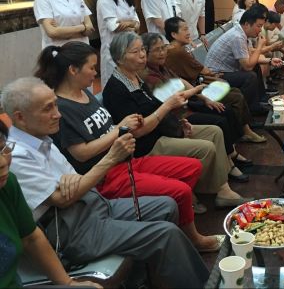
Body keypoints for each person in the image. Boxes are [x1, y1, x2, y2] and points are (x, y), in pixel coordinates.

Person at [3, 77, 210, 288]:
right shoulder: (16, 156)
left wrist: (72, 184)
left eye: (56, 105)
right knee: (165, 234)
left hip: (92, 204)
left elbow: (74, 181)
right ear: (20, 117)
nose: (58, 114)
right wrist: (111, 158)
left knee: (167, 205)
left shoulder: (43, 138)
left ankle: (143, 280)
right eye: (48, 108)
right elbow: (63, 198)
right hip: (73, 231)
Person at [34, 42, 225, 252]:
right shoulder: (64, 108)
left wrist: (126, 125)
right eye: (92, 67)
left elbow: (107, 129)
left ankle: (173, 218)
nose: (96, 73)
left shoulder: (85, 94)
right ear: (73, 70)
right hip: (107, 175)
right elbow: (82, 153)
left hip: (127, 160)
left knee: (192, 167)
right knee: (181, 191)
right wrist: (120, 129)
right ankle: (193, 239)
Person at [102, 32, 250, 208]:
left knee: (215, 132)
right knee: (206, 147)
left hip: (162, 130)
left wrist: (178, 124)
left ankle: (222, 189)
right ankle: (200, 190)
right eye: (135, 52)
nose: (142, 55)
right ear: (119, 58)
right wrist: (169, 107)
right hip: (147, 145)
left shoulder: (136, 78)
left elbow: (156, 106)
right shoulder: (117, 89)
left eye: (142, 49)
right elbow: (138, 131)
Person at [0, 119, 100, 288]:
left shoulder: (8, 184)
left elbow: (31, 237)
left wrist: (67, 283)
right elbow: (61, 199)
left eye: (3, 149)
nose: (3, 163)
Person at [142, 30, 262, 156]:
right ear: (174, 34)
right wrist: (198, 90)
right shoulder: (155, 71)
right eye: (157, 50)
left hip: (190, 98)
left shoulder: (163, 67)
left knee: (228, 107)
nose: (162, 52)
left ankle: (235, 146)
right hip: (179, 114)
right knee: (227, 108)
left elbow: (181, 81)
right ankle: (233, 152)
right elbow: (176, 96)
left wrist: (203, 97)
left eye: (163, 48)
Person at [161, 19, 267, 143]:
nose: (188, 32)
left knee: (236, 90)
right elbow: (205, 71)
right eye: (184, 29)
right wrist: (212, 76)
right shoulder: (177, 51)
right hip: (192, 94)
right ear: (174, 34)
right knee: (235, 94)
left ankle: (245, 128)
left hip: (193, 87)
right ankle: (245, 131)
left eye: (188, 28)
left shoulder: (175, 49)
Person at [205, 5, 283, 113]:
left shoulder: (242, 33)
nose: (260, 30)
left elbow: (249, 56)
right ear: (247, 24)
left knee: (255, 67)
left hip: (226, 71)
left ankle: (259, 101)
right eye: (258, 26)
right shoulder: (237, 36)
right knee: (249, 76)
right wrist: (260, 46)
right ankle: (247, 110)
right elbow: (247, 66)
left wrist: (269, 61)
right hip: (216, 75)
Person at [96, 0, 140, 88]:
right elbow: (114, 27)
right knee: (114, 86)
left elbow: (138, 25)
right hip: (112, 49)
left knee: (130, 84)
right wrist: (132, 24)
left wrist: (128, 23)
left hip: (129, 48)